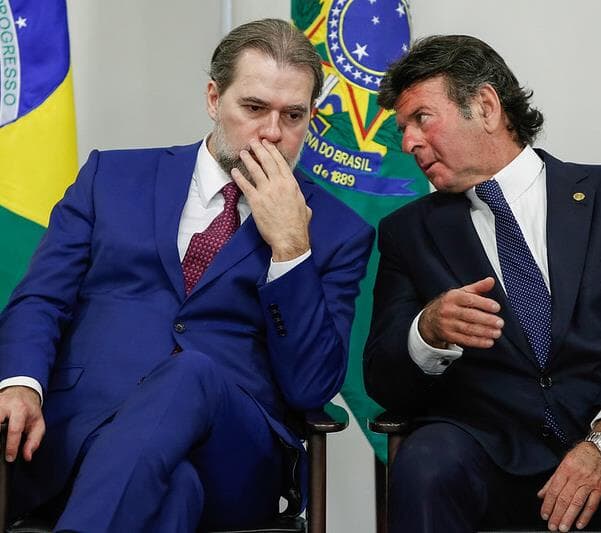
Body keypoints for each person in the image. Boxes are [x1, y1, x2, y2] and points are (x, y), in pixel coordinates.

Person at [0, 18, 374, 532]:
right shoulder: (112, 177)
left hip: (234, 453)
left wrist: (291, 250)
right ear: (214, 98)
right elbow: (41, 298)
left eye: (293, 115)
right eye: (254, 108)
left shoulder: (336, 230)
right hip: (87, 433)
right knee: (173, 493)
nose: (273, 132)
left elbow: (312, 386)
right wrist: (20, 383)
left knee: (192, 370)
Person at [363, 34, 601, 533]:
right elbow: (382, 377)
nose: (408, 143)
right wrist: (427, 332)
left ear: (486, 107)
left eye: (421, 118)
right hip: (488, 462)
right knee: (425, 463)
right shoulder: (408, 233)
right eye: (404, 128)